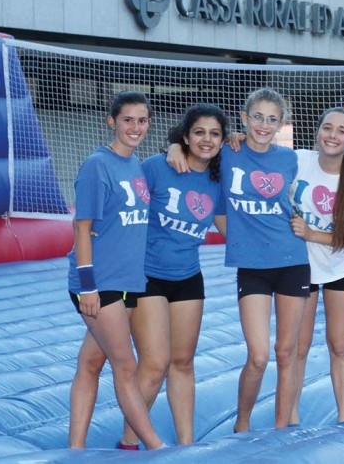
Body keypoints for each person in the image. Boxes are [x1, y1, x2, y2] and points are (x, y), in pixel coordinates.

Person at [167, 88, 310, 433]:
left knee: (286, 352)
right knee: (258, 355)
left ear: (281, 124)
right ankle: (241, 425)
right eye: (257, 117)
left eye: (272, 119)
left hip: (292, 260)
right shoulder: (227, 153)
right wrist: (173, 145)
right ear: (245, 118)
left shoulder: (288, 159)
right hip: (253, 268)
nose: (264, 124)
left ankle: (281, 430)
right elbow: (193, 148)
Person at [118, 104, 227, 449]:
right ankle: (128, 443)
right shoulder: (156, 167)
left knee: (182, 362)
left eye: (214, 134)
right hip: (147, 276)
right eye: (199, 132)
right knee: (155, 364)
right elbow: (124, 212)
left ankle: (186, 445)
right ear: (185, 136)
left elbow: (231, 231)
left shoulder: (218, 181)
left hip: (188, 277)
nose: (207, 140)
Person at [66, 91, 166, 450]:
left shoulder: (135, 163)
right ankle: (155, 446)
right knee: (125, 365)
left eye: (142, 121)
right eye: (127, 120)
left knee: (91, 362)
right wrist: (88, 286)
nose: (135, 127)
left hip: (127, 282)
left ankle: (75, 448)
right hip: (99, 282)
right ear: (112, 122)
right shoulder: (98, 165)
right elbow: (81, 228)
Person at [288, 107, 344, 426]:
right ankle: (291, 416)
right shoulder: (298, 160)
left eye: (341, 130)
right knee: (298, 347)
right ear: (318, 132)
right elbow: (257, 151)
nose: (332, 135)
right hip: (300, 268)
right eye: (327, 127)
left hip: (340, 268)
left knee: (339, 344)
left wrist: (312, 234)